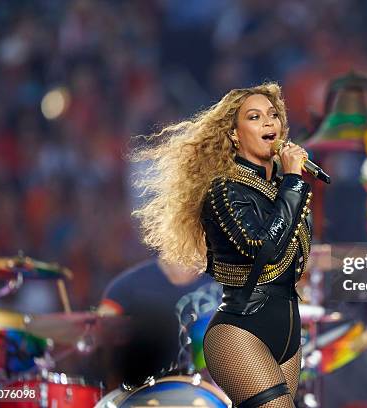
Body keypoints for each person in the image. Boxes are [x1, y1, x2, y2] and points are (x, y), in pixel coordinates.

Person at [133, 82, 312, 407]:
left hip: (287, 324)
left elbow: (293, 257)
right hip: (242, 327)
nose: (269, 122)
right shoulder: (224, 192)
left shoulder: (280, 189)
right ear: (233, 135)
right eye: (255, 117)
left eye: (273, 115)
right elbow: (262, 250)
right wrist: (293, 183)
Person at [97, 258, 217, 388]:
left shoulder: (228, 280)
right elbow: (97, 338)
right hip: (144, 394)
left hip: (214, 392)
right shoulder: (125, 288)